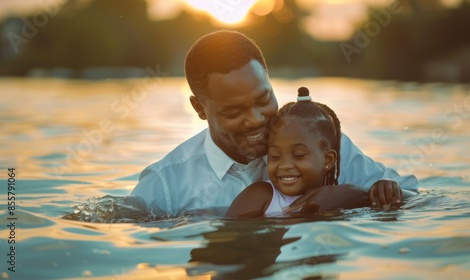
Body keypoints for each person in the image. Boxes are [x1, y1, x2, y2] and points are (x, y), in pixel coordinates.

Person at [130, 30, 418, 217]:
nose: (256, 119)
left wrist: (347, 195)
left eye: (263, 99)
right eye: (234, 112)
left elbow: (411, 198)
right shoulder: (165, 185)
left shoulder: (321, 143)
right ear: (199, 108)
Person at [226, 87, 366, 218]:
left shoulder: (342, 198)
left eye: (298, 155)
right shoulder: (260, 197)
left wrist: (369, 193)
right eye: (275, 156)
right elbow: (232, 236)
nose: (285, 165)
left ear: (328, 160)